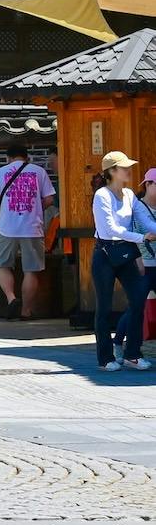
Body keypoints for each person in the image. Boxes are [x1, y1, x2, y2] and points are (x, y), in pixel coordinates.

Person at [92, 151, 155, 372]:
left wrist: (152, 231)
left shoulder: (129, 194)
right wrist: (142, 238)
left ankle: (133, 355)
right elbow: (111, 229)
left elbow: (145, 220)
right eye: (123, 167)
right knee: (104, 308)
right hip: (105, 254)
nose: (129, 170)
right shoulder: (101, 195)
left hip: (127, 253)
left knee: (138, 301)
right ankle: (105, 358)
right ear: (111, 171)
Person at [0, 143, 56, 320]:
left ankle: (11, 298)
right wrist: (36, 208)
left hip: (6, 227)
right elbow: (49, 199)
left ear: (8, 158)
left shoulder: (0, 172)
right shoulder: (39, 172)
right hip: (32, 228)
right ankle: (26, 311)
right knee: (31, 270)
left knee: (3, 265)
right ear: (27, 157)